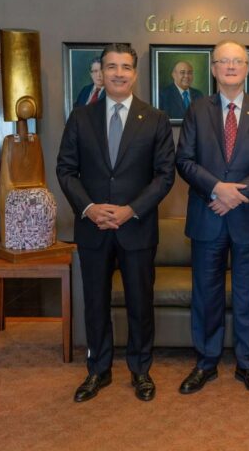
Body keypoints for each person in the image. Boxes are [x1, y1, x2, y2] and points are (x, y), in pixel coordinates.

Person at [57, 43, 176, 403]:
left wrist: (131, 210)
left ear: (135, 74)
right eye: (112, 67)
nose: (119, 73)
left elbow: (164, 175)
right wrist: (89, 208)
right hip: (93, 228)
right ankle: (98, 370)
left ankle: (140, 370)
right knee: (95, 303)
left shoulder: (155, 118)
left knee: (140, 303)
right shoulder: (81, 117)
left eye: (125, 67)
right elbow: (66, 170)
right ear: (102, 72)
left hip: (136, 228)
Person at [175, 39, 249, 395]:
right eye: (224, 61)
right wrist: (216, 188)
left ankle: (248, 364)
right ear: (214, 68)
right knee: (206, 295)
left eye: (238, 61)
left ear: (248, 68)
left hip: (248, 218)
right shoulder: (196, 110)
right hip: (207, 215)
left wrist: (235, 195)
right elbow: (184, 160)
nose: (231, 66)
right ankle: (205, 362)